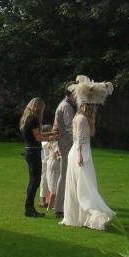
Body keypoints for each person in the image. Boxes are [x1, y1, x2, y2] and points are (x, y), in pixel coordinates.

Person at [60, 75, 115, 231]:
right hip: (81, 154)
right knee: (86, 186)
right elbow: (81, 141)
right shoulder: (83, 119)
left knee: (79, 185)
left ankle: (78, 217)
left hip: (77, 153)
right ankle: (93, 214)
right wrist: (80, 157)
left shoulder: (78, 117)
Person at [19, 97, 57, 217]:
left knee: (33, 181)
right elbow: (38, 137)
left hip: (29, 150)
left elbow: (37, 135)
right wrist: (52, 137)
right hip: (33, 151)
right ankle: (29, 208)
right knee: (35, 181)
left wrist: (51, 133)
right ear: (39, 107)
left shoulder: (27, 118)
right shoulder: (34, 119)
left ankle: (29, 207)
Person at [51, 87, 77, 218]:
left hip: (64, 142)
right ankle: (60, 207)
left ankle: (63, 205)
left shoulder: (65, 104)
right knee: (64, 174)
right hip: (66, 143)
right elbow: (70, 126)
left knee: (65, 175)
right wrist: (77, 142)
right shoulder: (67, 106)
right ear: (71, 93)